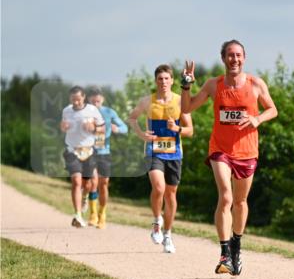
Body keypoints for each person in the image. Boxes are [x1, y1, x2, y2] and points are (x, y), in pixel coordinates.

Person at [181, 40, 278, 276]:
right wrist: (186, 86)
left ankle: (236, 245)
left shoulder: (256, 84)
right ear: (223, 58)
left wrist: (257, 119)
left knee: (240, 201)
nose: (234, 59)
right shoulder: (214, 85)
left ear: (244, 58)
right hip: (220, 149)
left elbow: (272, 110)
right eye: (230, 55)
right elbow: (187, 108)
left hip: (247, 151)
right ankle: (224, 253)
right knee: (225, 196)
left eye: (238, 55)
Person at [127, 65, 194, 254]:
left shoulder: (181, 102)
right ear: (156, 81)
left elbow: (190, 130)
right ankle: (157, 220)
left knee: (171, 195)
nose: (163, 82)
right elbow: (132, 118)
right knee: (159, 188)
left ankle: (168, 235)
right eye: (160, 79)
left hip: (174, 153)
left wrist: (177, 129)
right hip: (153, 151)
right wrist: (142, 134)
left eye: (166, 79)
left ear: (172, 81)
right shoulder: (147, 101)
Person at [60, 86, 105, 228]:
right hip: (71, 150)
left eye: (78, 99)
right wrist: (63, 126)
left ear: (83, 97)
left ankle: (84, 197)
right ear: (70, 99)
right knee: (76, 181)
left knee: (88, 184)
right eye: (73, 100)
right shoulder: (66, 110)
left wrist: (93, 128)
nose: (76, 103)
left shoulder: (92, 110)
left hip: (89, 151)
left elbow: (103, 128)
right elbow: (63, 127)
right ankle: (78, 215)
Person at [86, 87, 129, 229]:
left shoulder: (109, 112)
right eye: (93, 101)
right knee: (93, 182)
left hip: (104, 152)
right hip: (89, 151)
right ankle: (92, 214)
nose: (96, 104)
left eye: (98, 101)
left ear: (102, 100)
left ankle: (102, 213)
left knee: (103, 183)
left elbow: (125, 127)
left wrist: (118, 129)